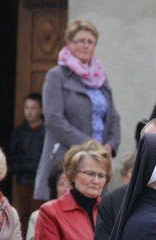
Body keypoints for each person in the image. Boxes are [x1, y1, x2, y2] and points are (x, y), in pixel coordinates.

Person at [34, 18, 121, 202]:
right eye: (80, 41)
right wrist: (89, 146)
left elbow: (113, 116)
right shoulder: (56, 76)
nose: (85, 46)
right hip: (67, 158)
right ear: (68, 43)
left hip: (98, 161)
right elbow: (54, 120)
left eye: (90, 42)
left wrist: (110, 145)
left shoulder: (100, 78)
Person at [9, 92, 45, 238]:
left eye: (33, 108)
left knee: (38, 215)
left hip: (40, 180)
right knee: (23, 215)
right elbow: (12, 154)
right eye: (26, 108)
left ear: (41, 110)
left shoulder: (47, 132)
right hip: (23, 179)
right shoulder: (19, 131)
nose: (29, 112)